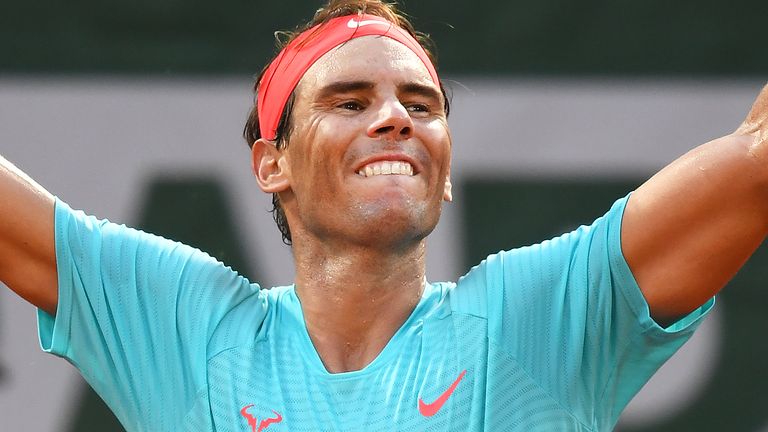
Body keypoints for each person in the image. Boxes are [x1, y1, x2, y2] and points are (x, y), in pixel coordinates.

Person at [1, 0, 767, 430]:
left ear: (446, 172)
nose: (397, 119)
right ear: (272, 165)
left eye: (422, 105)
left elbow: (757, 161)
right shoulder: (192, 336)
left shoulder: (529, 322)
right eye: (350, 101)